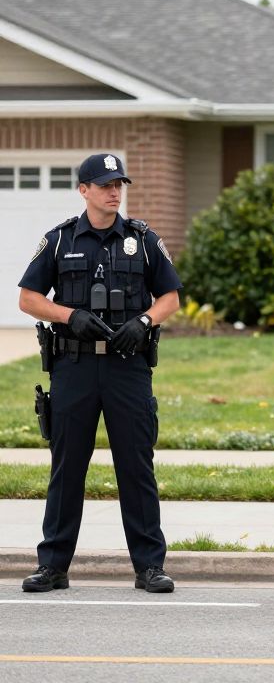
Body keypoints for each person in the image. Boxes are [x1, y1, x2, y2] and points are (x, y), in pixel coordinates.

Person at [18, 153, 182, 594]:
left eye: (119, 184)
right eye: (106, 184)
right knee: (67, 466)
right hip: (73, 366)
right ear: (84, 190)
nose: (115, 191)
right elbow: (29, 298)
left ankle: (149, 567)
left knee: (136, 466)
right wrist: (68, 315)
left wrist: (144, 321)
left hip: (127, 368)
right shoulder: (59, 240)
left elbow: (171, 297)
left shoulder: (143, 239)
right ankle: (53, 566)